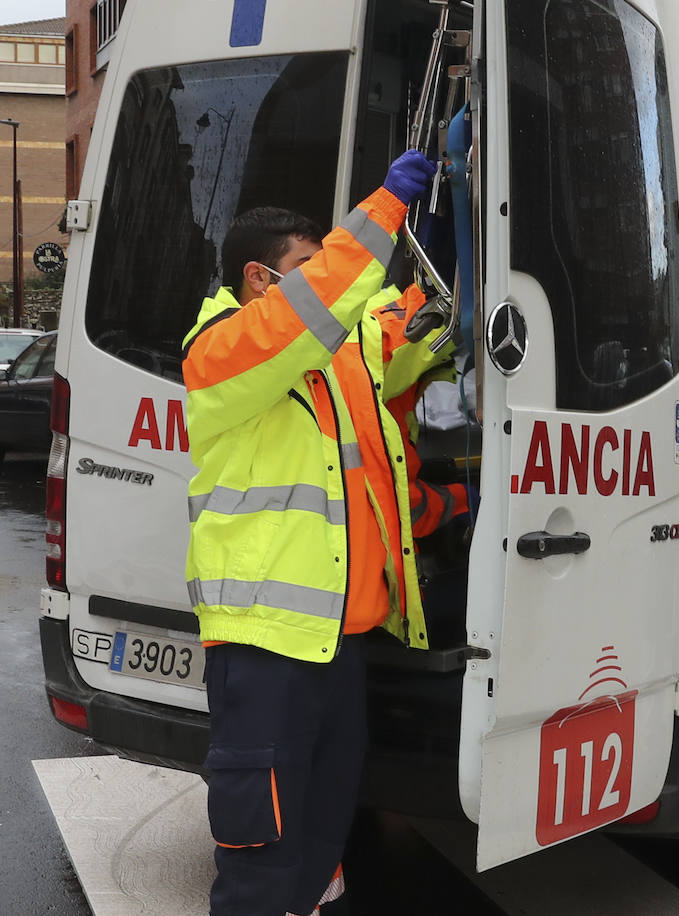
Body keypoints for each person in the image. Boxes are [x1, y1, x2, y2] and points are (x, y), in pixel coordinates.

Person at [182, 150, 473, 915]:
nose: (326, 285)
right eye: (306, 269)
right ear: (259, 279)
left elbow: (405, 334)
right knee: (260, 860)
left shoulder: (333, 361)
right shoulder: (221, 352)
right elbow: (316, 307)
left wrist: (443, 238)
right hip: (265, 652)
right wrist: (384, 209)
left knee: (320, 845)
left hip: (337, 651)